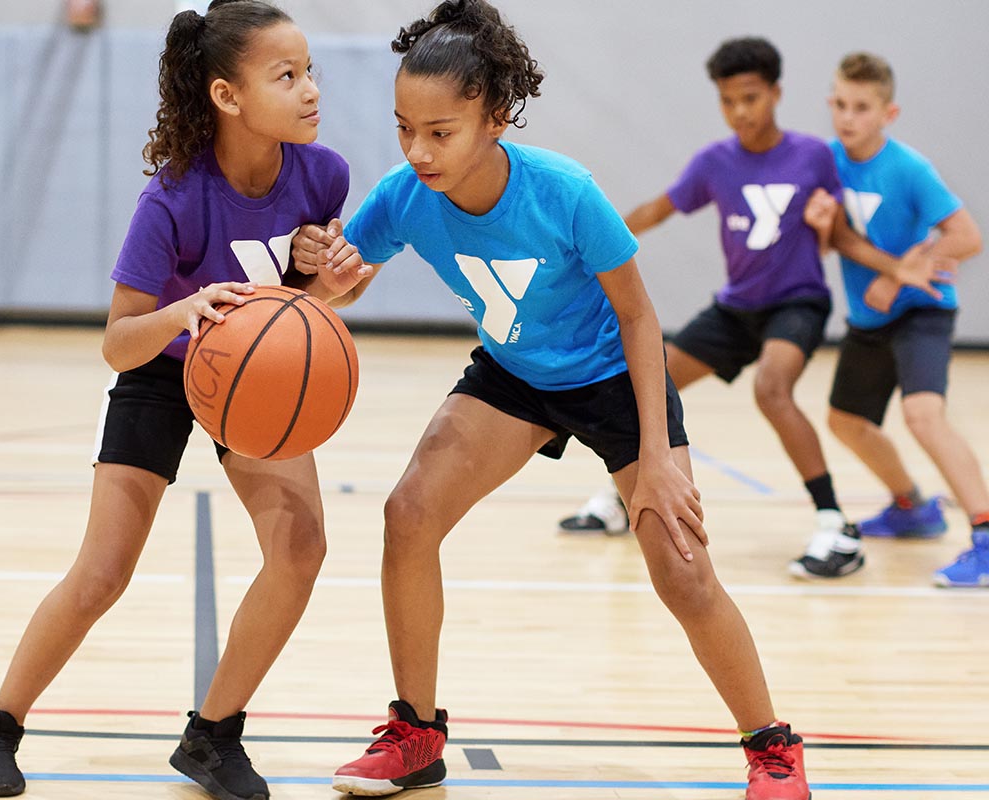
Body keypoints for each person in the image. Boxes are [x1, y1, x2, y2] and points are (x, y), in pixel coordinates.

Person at [294, 3, 810, 797]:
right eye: (405, 129)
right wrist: (323, 281)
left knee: (681, 570)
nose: (418, 150)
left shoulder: (565, 191)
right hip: (515, 375)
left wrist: (661, 462)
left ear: (495, 117)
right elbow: (345, 284)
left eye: (441, 131)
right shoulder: (403, 196)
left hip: (612, 375)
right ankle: (417, 733)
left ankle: (771, 745)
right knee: (409, 516)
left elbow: (639, 318)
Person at [0, 3, 368, 799]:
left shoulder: (324, 174)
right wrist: (182, 314)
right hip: (161, 368)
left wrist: (334, 278)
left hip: (255, 377)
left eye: (310, 70)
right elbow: (117, 340)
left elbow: (310, 306)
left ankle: (212, 738)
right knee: (103, 572)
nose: (312, 90)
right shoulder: (174, 196)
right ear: (228, 95)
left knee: (300, 549)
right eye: (288, 76)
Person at [559, 36, 946, 580]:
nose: (740, 111)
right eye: (728, 101)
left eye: (751, 98)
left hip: (798, 303)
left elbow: (842, 237)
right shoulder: (714, 162)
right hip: (736, 307)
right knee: (647, 378)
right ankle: (629, 496)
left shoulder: (813, 156)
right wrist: (585, 244)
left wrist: (894, 267)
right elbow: (657, 209)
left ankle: (834, 522)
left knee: (772, 387)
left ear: (776, 93)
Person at [802, 52, 988, 587]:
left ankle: (986, 533)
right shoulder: (826, 161)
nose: (847, 117)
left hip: (921, 312)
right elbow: (834, 240)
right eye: (840, 104)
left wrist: (907, 271)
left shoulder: (908, 168)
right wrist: (821, 230)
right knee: (845, 421)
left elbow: (968, 237)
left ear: (890, 113)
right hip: (869, 317)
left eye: (862, 107)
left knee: (923, 414)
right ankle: (912, 508)